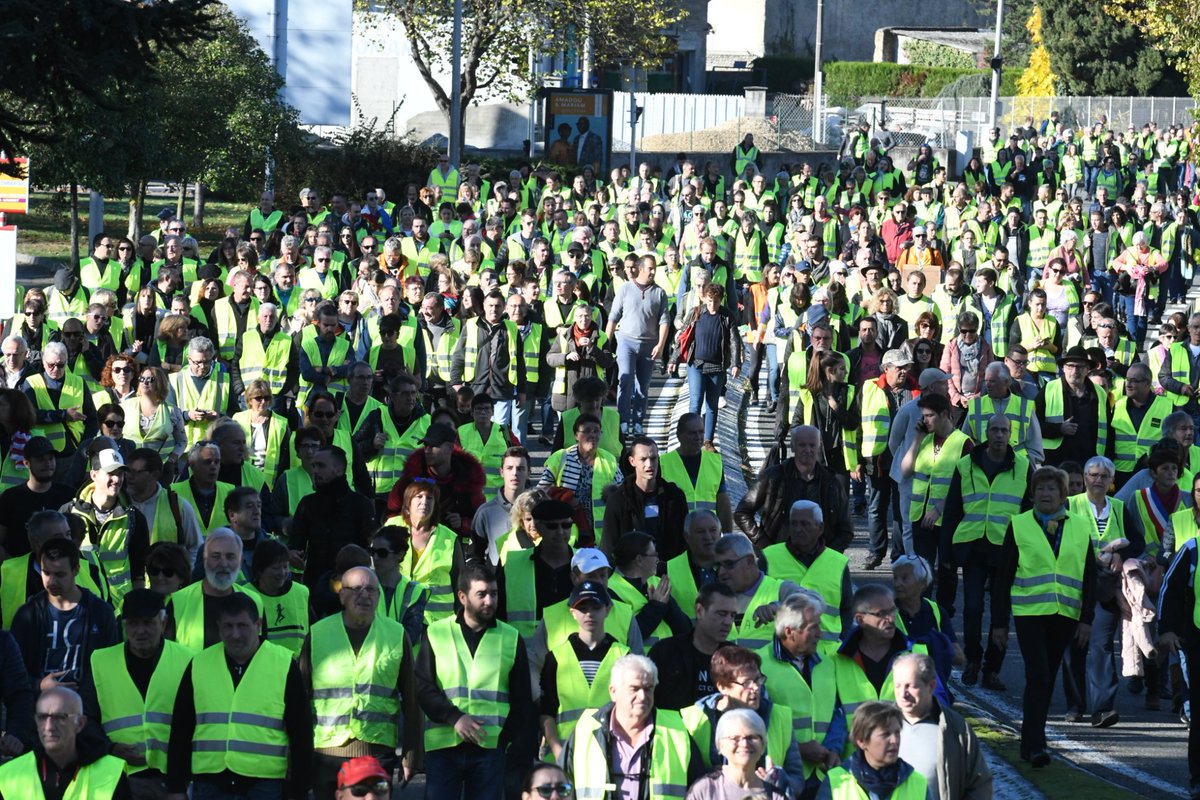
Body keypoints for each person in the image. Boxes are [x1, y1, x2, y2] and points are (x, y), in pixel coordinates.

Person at [991, 466, 1097, 767]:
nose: (1046, 494)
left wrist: (1086, 619)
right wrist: (1000, 623)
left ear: (1063, 495)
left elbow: (1090, 576)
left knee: (1045, 678)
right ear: (1032, 493)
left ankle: (1029, 743)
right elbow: (1003, 577)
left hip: (1066, 614)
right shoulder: (1019, 524)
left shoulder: (1079, 525)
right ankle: (1037, 745)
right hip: (1030, 613)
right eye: (1040, 488)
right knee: (1038, 674)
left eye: (1052, 489)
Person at [166, 592, 313, 800]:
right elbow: (181, 730)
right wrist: (175, 787)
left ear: (258, 624)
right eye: (228, 626)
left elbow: (302, 733)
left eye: (242, 626)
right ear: (219, 627)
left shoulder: (283, 664)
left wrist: (299, 790)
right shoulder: (199, 664)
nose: (235, 634)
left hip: (265, 783)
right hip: (210, 782)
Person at [416, 564, 536, 800]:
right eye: (481, 594)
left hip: (490, 749)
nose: (489, 601)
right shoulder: (436, 632)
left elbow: (521, 698)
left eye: (494, 593)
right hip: (443, 746)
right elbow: (422, 687)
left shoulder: (511, 637)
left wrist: (503, 740)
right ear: (462, 597)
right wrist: (455, 718)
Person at [302, 565, 418, 797]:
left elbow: (413, 699)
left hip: (378, 752)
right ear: (342, 595)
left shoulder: (396, 634)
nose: (364, 595)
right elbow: (300, 699)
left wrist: (412, 753)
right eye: (355, 589)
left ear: (378, 596)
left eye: (371, 590)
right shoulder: (317, 633)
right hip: (326, 753)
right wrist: (298, 755)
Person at [83, 588, 191, 799]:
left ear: (164, 623)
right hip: (118, 779)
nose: (140, 631)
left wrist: (179, 785)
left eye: (148, 622)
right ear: (123, 625)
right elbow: (85, 719)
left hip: (172, 780)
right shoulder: (100, 662)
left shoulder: (188, 660)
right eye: (132, 623)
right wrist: (110, 747)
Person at [559, 654, 701, 798]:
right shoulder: (585, 729)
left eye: (648, 689)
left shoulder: (676, 730)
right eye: (634, 688)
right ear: (613, 692)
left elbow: (699, 789)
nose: (642, 696)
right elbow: (561, 786)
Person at [680, 645, 805, 797]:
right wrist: (716, 779)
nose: (755, 688)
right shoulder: (692, 719)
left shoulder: (779, 716)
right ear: (722, 687)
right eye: (746, 683)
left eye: (758, 680)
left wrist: (777, 781)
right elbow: (683, 777)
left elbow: (797, 778)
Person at [12, 533, 120, 694]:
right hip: (40, 711)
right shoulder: (28, 615)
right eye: (46, 573)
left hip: (87, 710)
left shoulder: (100, 612)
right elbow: (12, 674)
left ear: (76, 570)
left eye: (60, 574)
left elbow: (113, 668)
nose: (52, 581)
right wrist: (39, 685)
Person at [538, 580, 630, 757]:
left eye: (595, 607)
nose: (589, 614)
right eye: (582, 608)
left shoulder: (624, 656)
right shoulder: (556, 657)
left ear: (607, 610)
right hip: (565, 754)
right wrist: (559, 752)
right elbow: (546, 712)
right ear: (572, 613)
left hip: (610, 754)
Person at [900, 393, 972, 612]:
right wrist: (916, 440)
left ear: (944, 414)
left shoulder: (963, 443)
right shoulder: (925, 439)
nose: (925, 420)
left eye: (930, 416)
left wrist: (939, 508)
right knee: (923, 568)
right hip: (920, 515)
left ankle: (944, 611)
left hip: (947, 517)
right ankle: (924, 610)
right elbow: (905, 471)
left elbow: (966, 486)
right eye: (924, 416)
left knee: (947, 567)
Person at [736, 425, 854, 552]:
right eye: (802, 445)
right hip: (779, 559)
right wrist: (765, 545)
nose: (807, 450)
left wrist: (828, 555)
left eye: (812, 445)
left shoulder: (832, 482)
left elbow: (846, 530)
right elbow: (742, 512)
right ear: (792, 446)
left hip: (818, 562)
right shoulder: (773, 477)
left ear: (819, 447)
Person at [0, 686, 130, 800]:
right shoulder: (7, 775)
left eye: (60, 717)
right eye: (42, 718)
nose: (49, 726)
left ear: (80, 723)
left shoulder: (111, 771)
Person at [893, 652, 992, 800]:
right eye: (898, 685)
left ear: (931, 686)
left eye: (910, 686)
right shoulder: (881, 723)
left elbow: (980, 783)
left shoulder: (955, 727)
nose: (902, 693)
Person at [761, 499, 853, 648]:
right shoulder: (769, 557)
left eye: (805, 524)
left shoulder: (838, 562)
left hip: (827, 653)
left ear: (820, 528)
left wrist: (843, 641)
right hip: (781, 650)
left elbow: (847, 610)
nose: (798, 529)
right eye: (794, 524)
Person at [860, 349, 920, 569]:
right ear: (887, 369)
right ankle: (875, 552)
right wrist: (857, 459)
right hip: (877, 458)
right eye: (899, 367)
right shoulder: (871, 388)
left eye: (906, 367)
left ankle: (898, 553)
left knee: (900, 507)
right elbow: (861, 422)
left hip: (904, 460)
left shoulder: (915, 391)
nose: (904, 371)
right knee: (876, 506)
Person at [289, 446, 376, 589]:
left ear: (339, 470)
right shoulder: (308, 504)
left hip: (353, 584)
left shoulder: (360, 504)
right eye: (313, 466)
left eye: (321, 466)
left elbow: (370, 548)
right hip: (315, 583)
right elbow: (296, 543)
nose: (315, 471)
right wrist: (292, 554)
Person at [165, 530, 263, 652]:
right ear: (205, 559)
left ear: (240, 560)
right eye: (216, 556)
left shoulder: (254, 600)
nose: (223, 564)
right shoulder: (178, 602)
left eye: (230, 556)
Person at [669, 283, 741, 446]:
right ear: (704, 299)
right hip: (696, 365)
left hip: (717, 367)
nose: (712, 305)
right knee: (695, 402)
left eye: (715, 301)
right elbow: (683, 338)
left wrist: (736, 363)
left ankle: (707, 441)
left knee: (712, 405)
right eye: (709, 301)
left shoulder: (727, 316)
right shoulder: (696, 313)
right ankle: (689, 438)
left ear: (721, 300)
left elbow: (734, 341)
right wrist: (674, 359)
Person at [606, 255, 670, 436]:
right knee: (625, 381)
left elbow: (664, 321)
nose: (653, 271)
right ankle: (623, 420)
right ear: (640, 269)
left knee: (643, 386)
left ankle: (639, 421)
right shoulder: (625, 289)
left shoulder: (660, 293)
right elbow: (613, 317)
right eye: (650, 268)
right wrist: (606, 342)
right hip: (626, 342)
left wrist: (661, 345)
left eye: (654, 268)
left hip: (649, 345)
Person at [649, 583, 738, 711]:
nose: (728, 622)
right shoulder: (664, 652)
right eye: (722, 613)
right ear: (699, 611)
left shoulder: (737, 660)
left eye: (732, 615)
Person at [816, 701, 927, 800]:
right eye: (885, 734)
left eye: (897, 733)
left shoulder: (917, 783)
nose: (894, 740)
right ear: (861, 740)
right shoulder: (835, 782)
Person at [602, 437, 688, 561]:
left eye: (653, 459)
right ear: (632, 461)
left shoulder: (674, 497)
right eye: (643, 459)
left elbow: (684, 541)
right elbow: (609, 546)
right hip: (631, 574)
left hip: (669, 573)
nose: (649, 465)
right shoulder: (618, 500)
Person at [685, 707, 793, 800]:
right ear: (720, 745)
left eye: (752, 737)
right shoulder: (705, 790)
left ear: (763, 744)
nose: (744, 743)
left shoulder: (775, 795)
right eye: (735, 738)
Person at [0, 435, 74, 559]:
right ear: (26, 463)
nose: (48, 464)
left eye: (51, 458)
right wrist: (12, 565)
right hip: (22, 574)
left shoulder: (68, 495)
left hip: (60, 570)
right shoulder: (10, 498)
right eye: (41, 459)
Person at [1039, 346, 1110, 467]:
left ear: (1087, 369)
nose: (1075, 370)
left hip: (1090, 462)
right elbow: (1034, 425)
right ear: (1063, 368)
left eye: (1080, 366)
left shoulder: (1100, 393)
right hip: (1056, 461)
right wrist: (1059, 429)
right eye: (1070, 366)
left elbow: (1109, 430)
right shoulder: (1049, 389)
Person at [963, 361, 1043, 466]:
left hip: (1016, 468)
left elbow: (1035, 447)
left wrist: (1025, 467)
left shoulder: (1025, 406)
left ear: (1006, 382)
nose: (987, 385)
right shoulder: (975, 406)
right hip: (983, 466)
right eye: (986, 381)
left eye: (992, 381)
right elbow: (964, 443)